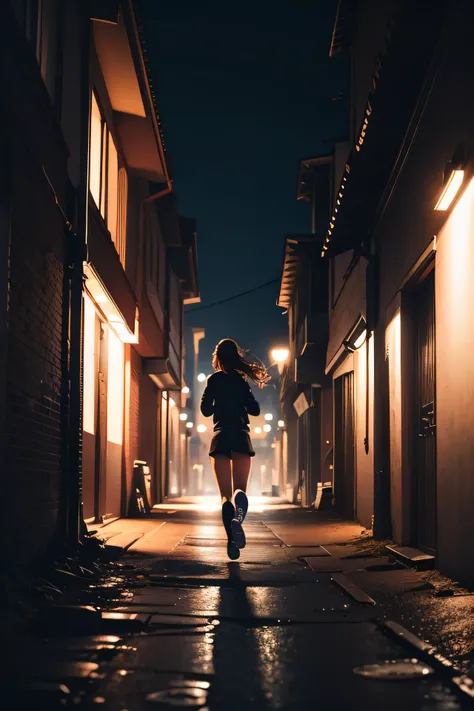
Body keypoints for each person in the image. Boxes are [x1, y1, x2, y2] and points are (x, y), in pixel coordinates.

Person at [200, 338, 270, 560]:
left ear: (218, 359)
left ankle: (231, 542)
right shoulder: (241, 381)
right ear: (236, 357)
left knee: (224, 496)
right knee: (240, 491)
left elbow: (205, 411)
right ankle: (237, 520)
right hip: (241, 437)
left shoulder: (214, 380)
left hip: (220, 439)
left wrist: (217, 401)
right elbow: (255, 410)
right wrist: (243, 399)